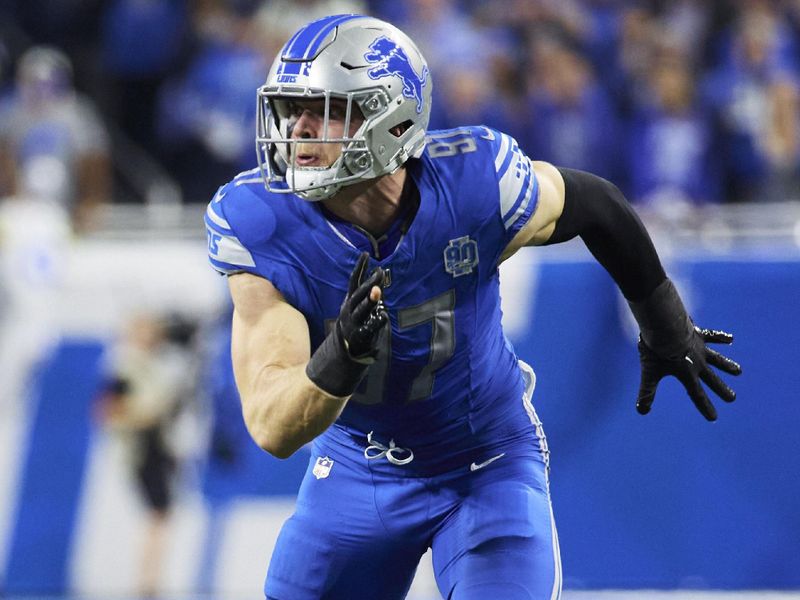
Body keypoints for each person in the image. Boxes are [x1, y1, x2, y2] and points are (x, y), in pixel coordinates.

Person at [204, 14, 742, 599]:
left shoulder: (473, 186)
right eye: (292, 110)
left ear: (392, 120)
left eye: (325, 110)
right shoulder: (262, 222)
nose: (299, 130)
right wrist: (339, 359)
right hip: (358, 470)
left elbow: (596, 203)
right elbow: (272, 426)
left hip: (484, 460)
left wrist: (665, 325)